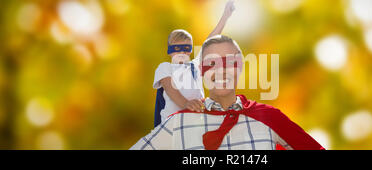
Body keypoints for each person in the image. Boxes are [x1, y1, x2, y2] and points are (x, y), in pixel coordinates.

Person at [131, 35, 324, 150]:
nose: (222, 70)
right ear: (201, 71)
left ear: (240, 67)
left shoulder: (268, 117)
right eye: (212, 63)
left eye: (229, 62)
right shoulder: (177, 123)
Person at [153, 0, 235, 127]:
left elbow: (210, 40)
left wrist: (225, 16)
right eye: (176, 48)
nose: (181, 52)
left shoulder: (195, 66)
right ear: (169, 50)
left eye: (185, 48)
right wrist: (186, 104)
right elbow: (169, 88)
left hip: (195, 121)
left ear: (190, 50)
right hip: (171, 125)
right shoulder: (165, 67)